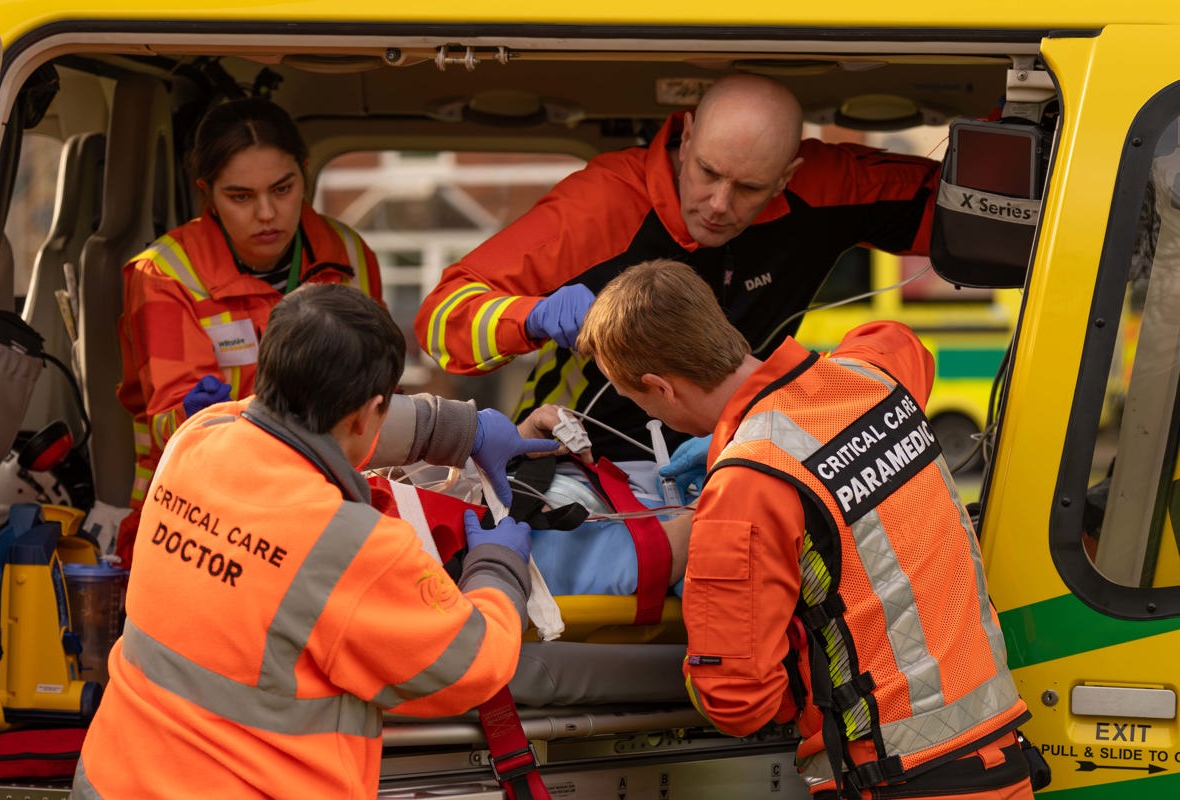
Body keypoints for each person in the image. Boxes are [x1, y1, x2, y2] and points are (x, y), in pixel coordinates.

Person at [575, 259, 1034, 799]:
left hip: (895, 777)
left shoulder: (745, 489)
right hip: (999, 753)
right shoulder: (871, 378)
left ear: (661, 388)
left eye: (635, 401)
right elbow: (894, 338)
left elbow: (737, 700)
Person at [74, 284, 538, 798]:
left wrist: (452, 428)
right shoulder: (351, 545)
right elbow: (471, 666)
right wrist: (498, 569)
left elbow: (291, 417)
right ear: (367, 413)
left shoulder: (198, 437)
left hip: (110, 777)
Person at [415, 73, 940, 467]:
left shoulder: (825, 188)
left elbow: (977, 206)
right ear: (686, 138)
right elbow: (440, 322)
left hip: (741, 463)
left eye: (749, 188)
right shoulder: (599, 207)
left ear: (786, 177)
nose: (718, 204)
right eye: (708, 172)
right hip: (574, 460)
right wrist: (533, 317)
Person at [115, 97, 551, 566]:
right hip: (193, 515)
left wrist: (454, 438)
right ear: (207, 194)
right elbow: (170, 426)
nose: (267, 213)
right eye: (240, 197)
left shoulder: (347, 253)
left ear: (304, 172)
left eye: (283, 189)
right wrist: (195, 416)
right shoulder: (165, 274)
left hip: (320, 509)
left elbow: (373, 397)